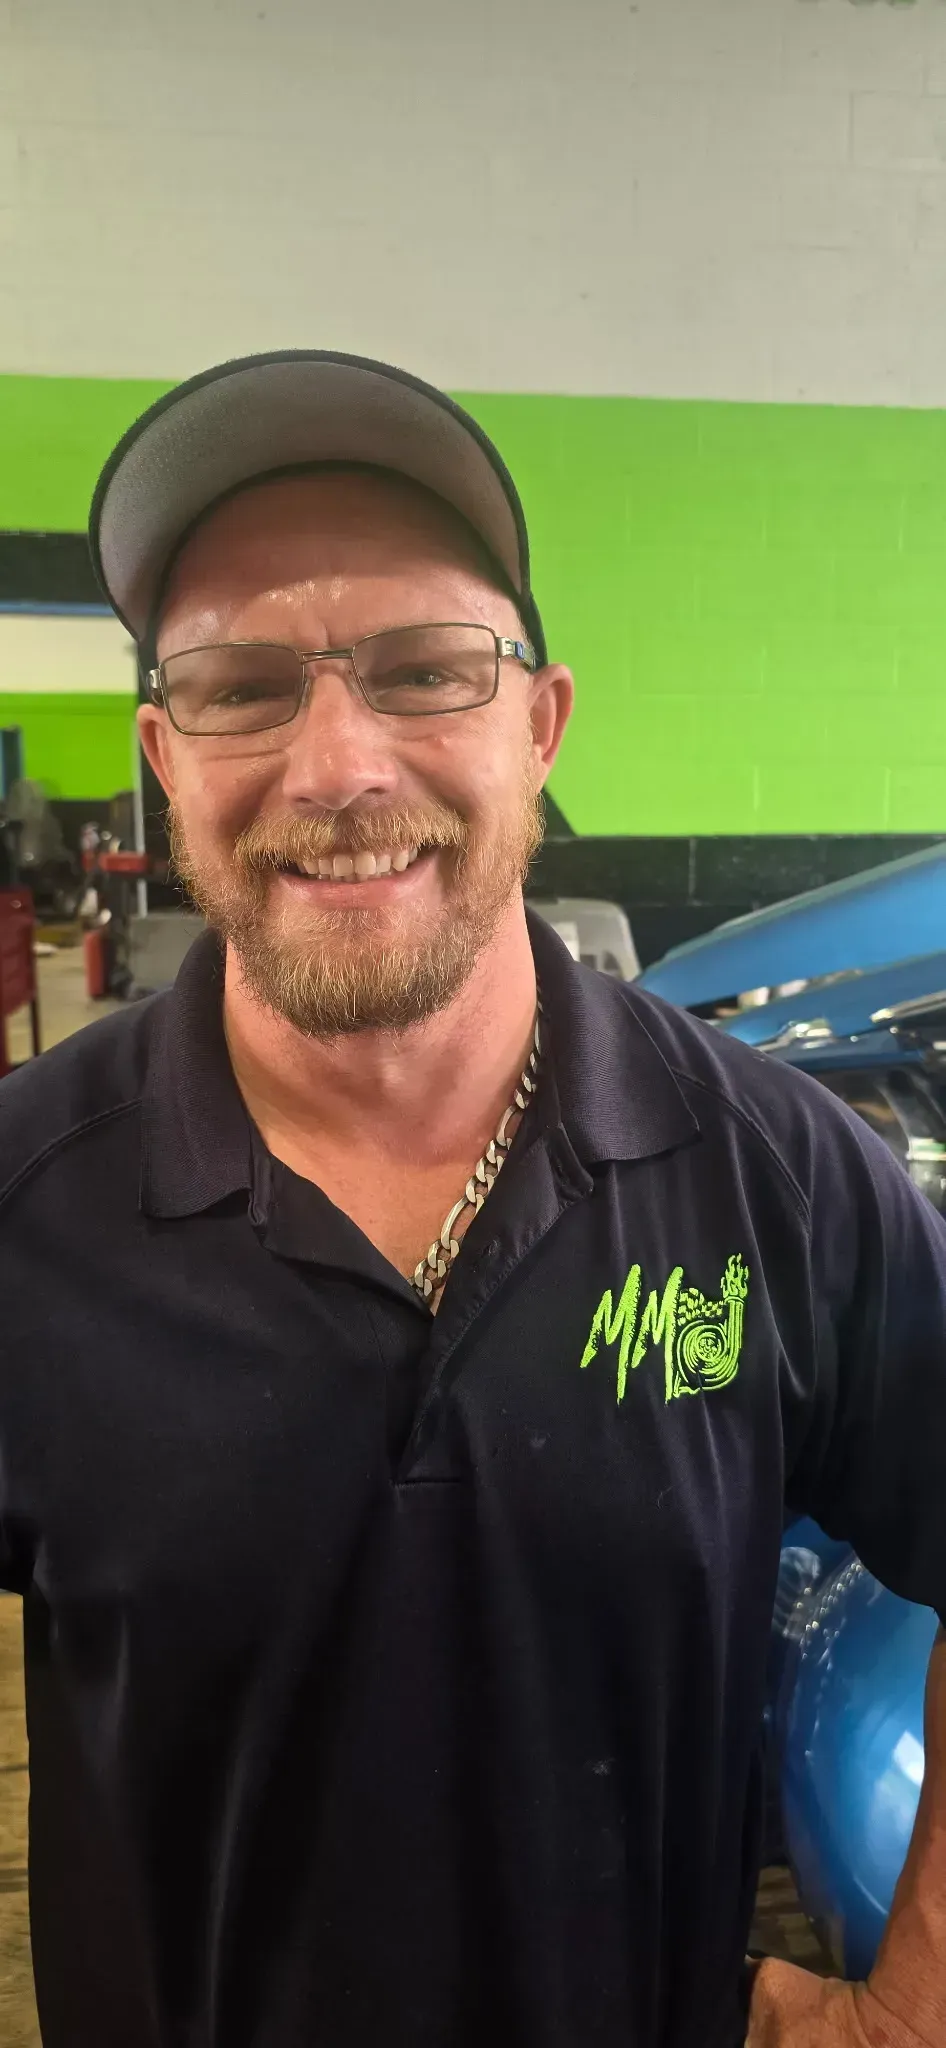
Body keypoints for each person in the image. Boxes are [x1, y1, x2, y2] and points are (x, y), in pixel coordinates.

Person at [0, 350, 943, 2048]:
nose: (339, 763)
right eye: (241, 686)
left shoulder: (780, 1174)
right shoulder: (26, 1205)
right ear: (161, 751)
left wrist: (924, 1991)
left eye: (425, 671)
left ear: (540, 722)